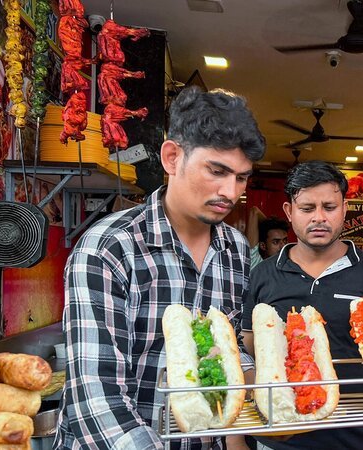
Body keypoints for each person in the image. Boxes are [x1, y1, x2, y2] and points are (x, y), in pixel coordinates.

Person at [55, 86, 266, 450]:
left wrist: (258, 379)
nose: (231, 192)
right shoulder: (109, 246)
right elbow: (94, 395)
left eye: (242, 177)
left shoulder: (235, 248)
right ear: (172, 158)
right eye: (217, 171)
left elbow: (225, 342)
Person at [242, 160, 363, 450]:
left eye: (329, 207)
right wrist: (236, 442)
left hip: (360, 439)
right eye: (307, 208)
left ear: (345, 209)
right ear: (289, 212)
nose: (319, 217)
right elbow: (245, 356)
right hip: (277, 440)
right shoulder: (262, 274)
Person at [246, 206, 289, 271]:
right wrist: (268, 225)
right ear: (263, 246)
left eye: (285, 241)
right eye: (276, 242)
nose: (283, 246)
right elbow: (254, 212)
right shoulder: (256, 263)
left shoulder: (289, 265)